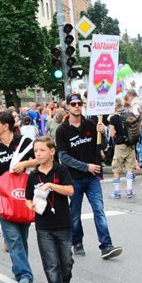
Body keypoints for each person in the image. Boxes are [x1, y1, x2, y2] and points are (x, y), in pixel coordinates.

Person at [56, 93, 123, 259]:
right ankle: (77, 242)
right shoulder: (62, 130)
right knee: (75, 213)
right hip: (73, 178)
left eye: (79, 103)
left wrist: (104, 132)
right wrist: (86, 167)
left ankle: (106, 245)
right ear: (68, 107)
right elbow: (63, 157)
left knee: (99, 210)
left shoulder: (92, 124)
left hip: (92, 178)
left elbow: (104, 146)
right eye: (73, 104)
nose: (77, 106)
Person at [0, 111, 37, 283]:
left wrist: (23, 165)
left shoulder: (24, 142)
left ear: (5, 126)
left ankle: (18, 269)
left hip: (23, 197)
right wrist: (1, 183)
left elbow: (39, 160)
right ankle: (25, 276)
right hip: (4, 198)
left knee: (22, 238)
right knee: (14, 239)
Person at [25, 136, 74, 283]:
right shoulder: (33, 175)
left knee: (66, 262)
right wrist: (30, 206)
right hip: (43, 226)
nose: (38, 154)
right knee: (51, 263)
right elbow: (27, 198)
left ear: (52, 152)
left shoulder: (61, 170)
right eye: (35, 151)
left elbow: (70, 190)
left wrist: (51, 186)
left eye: (42, 150)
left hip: (63, 223)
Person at [109, 98, 137, 199]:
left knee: (117, 168)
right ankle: (129, 190)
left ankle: (117, 191)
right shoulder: (130, 114)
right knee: (130, 167)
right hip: (131, 144)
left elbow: (112, 134)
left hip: (120, 145)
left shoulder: (114, 118)